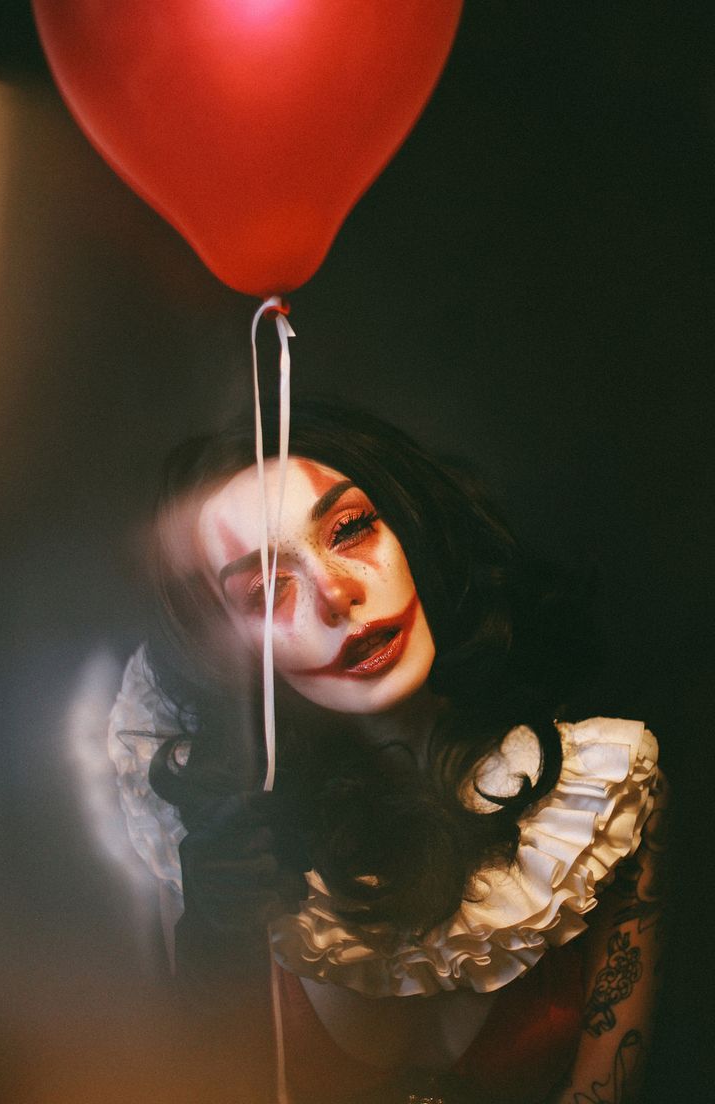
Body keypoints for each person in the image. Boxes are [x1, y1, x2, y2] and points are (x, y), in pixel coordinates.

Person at [108, 401, 667, 1104]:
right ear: (233, 647)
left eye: (350, 530)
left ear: (407, 526)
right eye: (265, 588)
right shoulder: (217, 826)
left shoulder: (605, 791)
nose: (336, 595)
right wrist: (211, 947)